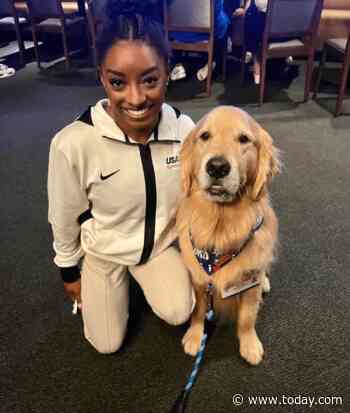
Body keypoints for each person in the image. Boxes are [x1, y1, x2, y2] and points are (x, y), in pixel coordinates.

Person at [47, 0, 195, 354]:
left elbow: (198, 198)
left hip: (158, 247)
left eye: (150, 80)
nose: (136, 98)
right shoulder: (72, 143)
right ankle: (107, 283)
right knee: (106, 344)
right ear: (102, 77)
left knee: (180, 311)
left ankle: (145, 281)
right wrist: (69, 271)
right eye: (118, 82)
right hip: (105, 251)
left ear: (167, 73)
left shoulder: (184, 130)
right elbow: (64, 215)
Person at [169, 0, 230, 82]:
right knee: (224, 23)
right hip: (204, 35)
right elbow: (216, 13)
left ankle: (177, 62)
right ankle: (213, 61)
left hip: (176, 33)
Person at [233, 0, 267, 84]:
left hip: (265, 33)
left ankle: (256, 61)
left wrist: (245, 9)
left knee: (252, 16)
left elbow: (260, 4)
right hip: (294, 32)